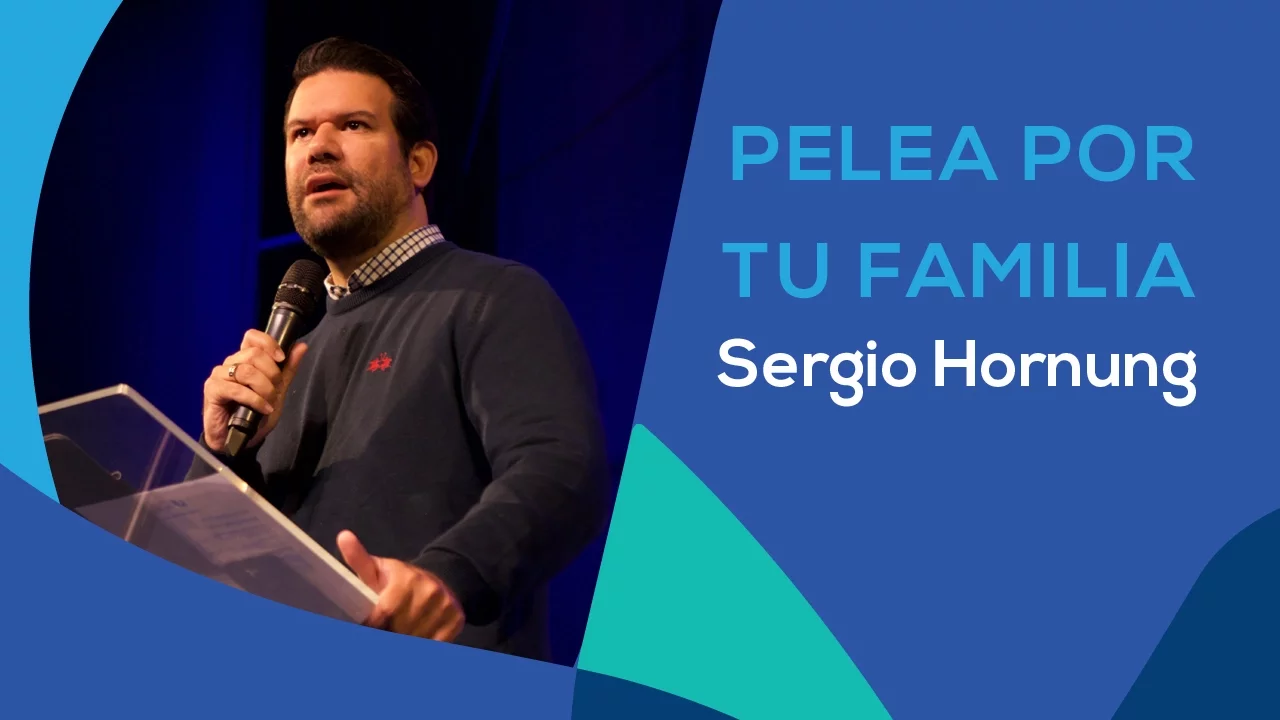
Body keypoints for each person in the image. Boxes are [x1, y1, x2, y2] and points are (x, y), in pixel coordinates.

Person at [197, 37, 611, 660]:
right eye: (300, 132)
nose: (319, 146)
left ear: (418, 164)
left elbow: (561, 469)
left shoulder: (492, 296)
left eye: (353, 125)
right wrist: (230, 458)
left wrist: (446, 577)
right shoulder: (286, 362)